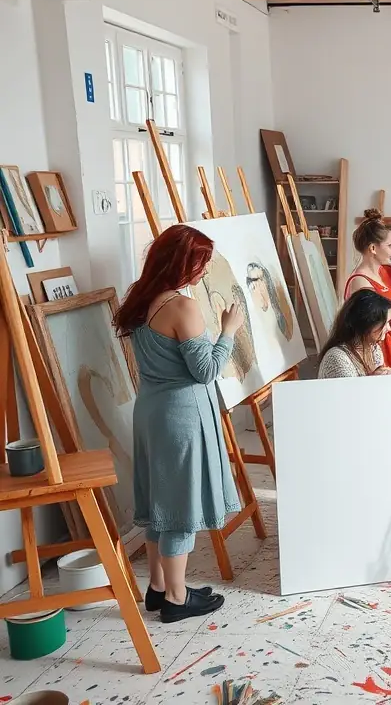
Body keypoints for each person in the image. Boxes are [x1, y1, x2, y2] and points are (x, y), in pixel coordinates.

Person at [112, 224, 241, 623]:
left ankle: (157, 587)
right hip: (181, 417)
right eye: (200, 263)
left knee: (158, 505)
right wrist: (229, 332)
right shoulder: (182, 307)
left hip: (151, 410)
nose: (203, 271)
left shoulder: (141, 299)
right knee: (180, 506)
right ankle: (178, 597)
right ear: (181, 262)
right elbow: (205, 371)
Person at [344, 208, 391, 370]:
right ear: (373, 248)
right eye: (390, 245)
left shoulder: (388, 270)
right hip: (383, 352)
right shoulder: (360, 283)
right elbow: (366, 334)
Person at [319, 289, 391, 378]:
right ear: (367, 324)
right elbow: (352, 391)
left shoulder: (374, 349)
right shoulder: (338, 359)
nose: (389, 328)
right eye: (386, 323)